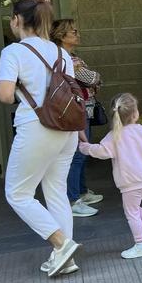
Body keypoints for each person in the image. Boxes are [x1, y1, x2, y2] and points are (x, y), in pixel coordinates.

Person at [0, 0, 82, 277]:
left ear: (17, 20)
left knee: (17, 193)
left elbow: (5, 96)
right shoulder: (61, 53)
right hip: (67, 128)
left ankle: (61, 243)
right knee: (56, 190)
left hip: (38, 127)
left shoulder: (13, 52)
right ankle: (64, 259)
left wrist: (19, 84)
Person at [78, 93, 142, 259]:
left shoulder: (114, 136)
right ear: (136, 114)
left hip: (130, 182)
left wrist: (84, 147)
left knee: (131, 212)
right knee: (133, 207)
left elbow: (101, 152)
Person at [50, 19, 104, 218]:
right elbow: (92, 78)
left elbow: (93, 78)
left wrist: (92, 76)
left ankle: (81, 191)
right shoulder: (65, 58)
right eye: (73, 32)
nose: (77, 34)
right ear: (62, 36)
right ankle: (72, 200)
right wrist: (93, 77)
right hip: (74, 111)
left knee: (82, 152)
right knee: (76, 155)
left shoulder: (72, 56)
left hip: (83, 109)